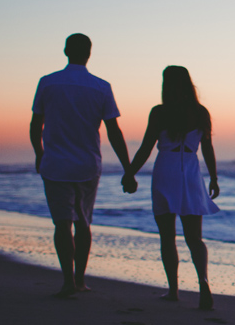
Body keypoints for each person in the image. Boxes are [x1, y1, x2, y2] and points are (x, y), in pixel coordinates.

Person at [31, 33, 135, 298]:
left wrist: (39, 154)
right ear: (89, 53)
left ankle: (67, 280)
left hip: (55, 164)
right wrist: (128, 168)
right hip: (87, 165)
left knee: (62, 224)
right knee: (84, 223)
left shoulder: (48, 82)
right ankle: (80, 280)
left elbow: (36, 125)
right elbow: (114, 131)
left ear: (66, 50)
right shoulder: (101, 86)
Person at [124, 66, 220, 310]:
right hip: (190, 173)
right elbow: (207, 147)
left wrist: (130, 172)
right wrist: (214, 178)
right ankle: (204, 283)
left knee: (168, 237)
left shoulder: (160, 112)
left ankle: (174, 290)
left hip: (166, 171)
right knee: (194, 238)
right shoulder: (200, 112)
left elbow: (146, 146)